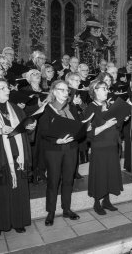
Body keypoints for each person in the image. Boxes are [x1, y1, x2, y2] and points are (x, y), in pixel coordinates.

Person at [0, 78, 35, 238]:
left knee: (18, 190)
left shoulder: (15, 109)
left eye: (7, 87)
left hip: (18, 156)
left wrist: (30, 128)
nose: (7, 90)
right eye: (2, 88)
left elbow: (24, 132)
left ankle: (18, 221)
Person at [38, 80, 82, 226]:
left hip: (71, 148)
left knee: (68, 180)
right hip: (54, 150)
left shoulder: (72, 108)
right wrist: (57, 141)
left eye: (66, 90)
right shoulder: (47, 109)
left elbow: (78, 128)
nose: (65, 93)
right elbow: (43, 132)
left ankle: (66, 209)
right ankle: (50, 212)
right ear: (54, 91)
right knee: (53, 181)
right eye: (61, 90)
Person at [84, 80, 123, 215]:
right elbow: (88, 133)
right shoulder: (91, 107)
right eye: (103, 88)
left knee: (109, 173)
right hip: (99, 146)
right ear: (95, 90)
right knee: (100, 174)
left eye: (107, 88)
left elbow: (117, 127)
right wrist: (105, 125)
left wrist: (121, 118)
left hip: (112, 144)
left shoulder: (109, 105)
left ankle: (106, 201)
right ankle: (96, 202)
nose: (107, 91)